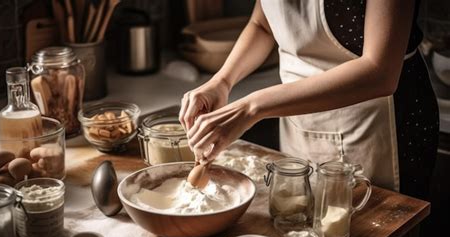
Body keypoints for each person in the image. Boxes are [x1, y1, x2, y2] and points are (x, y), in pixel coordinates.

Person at [179, 0, 439, 199]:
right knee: (301, 217)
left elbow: (379, 72)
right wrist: (221, 81)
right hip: (297, 115)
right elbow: (263, 25)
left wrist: (252, 107)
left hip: (376, 124)